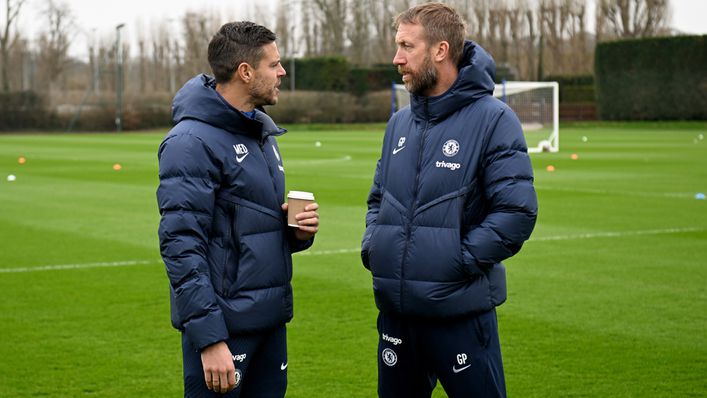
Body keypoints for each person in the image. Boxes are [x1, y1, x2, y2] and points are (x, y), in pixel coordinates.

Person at [360, 3, 537, 398]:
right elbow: (378, 199)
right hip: (398, 315)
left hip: (459, 314)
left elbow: (517, 212)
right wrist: (376, 246)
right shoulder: (399, 123)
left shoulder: (493, 119)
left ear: (440, 50)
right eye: (397, 46)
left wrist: (455, 261)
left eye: (407, 46)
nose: (397, 58)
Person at [157, 21, 319, 397]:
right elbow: (182, 246)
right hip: (225, 332)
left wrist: (295, 232)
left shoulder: (261, 133)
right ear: (245, 72)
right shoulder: (190, 142)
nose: (282, 72)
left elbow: (246, 227)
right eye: (274, 64)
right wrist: (210, 340)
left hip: (270, 322)